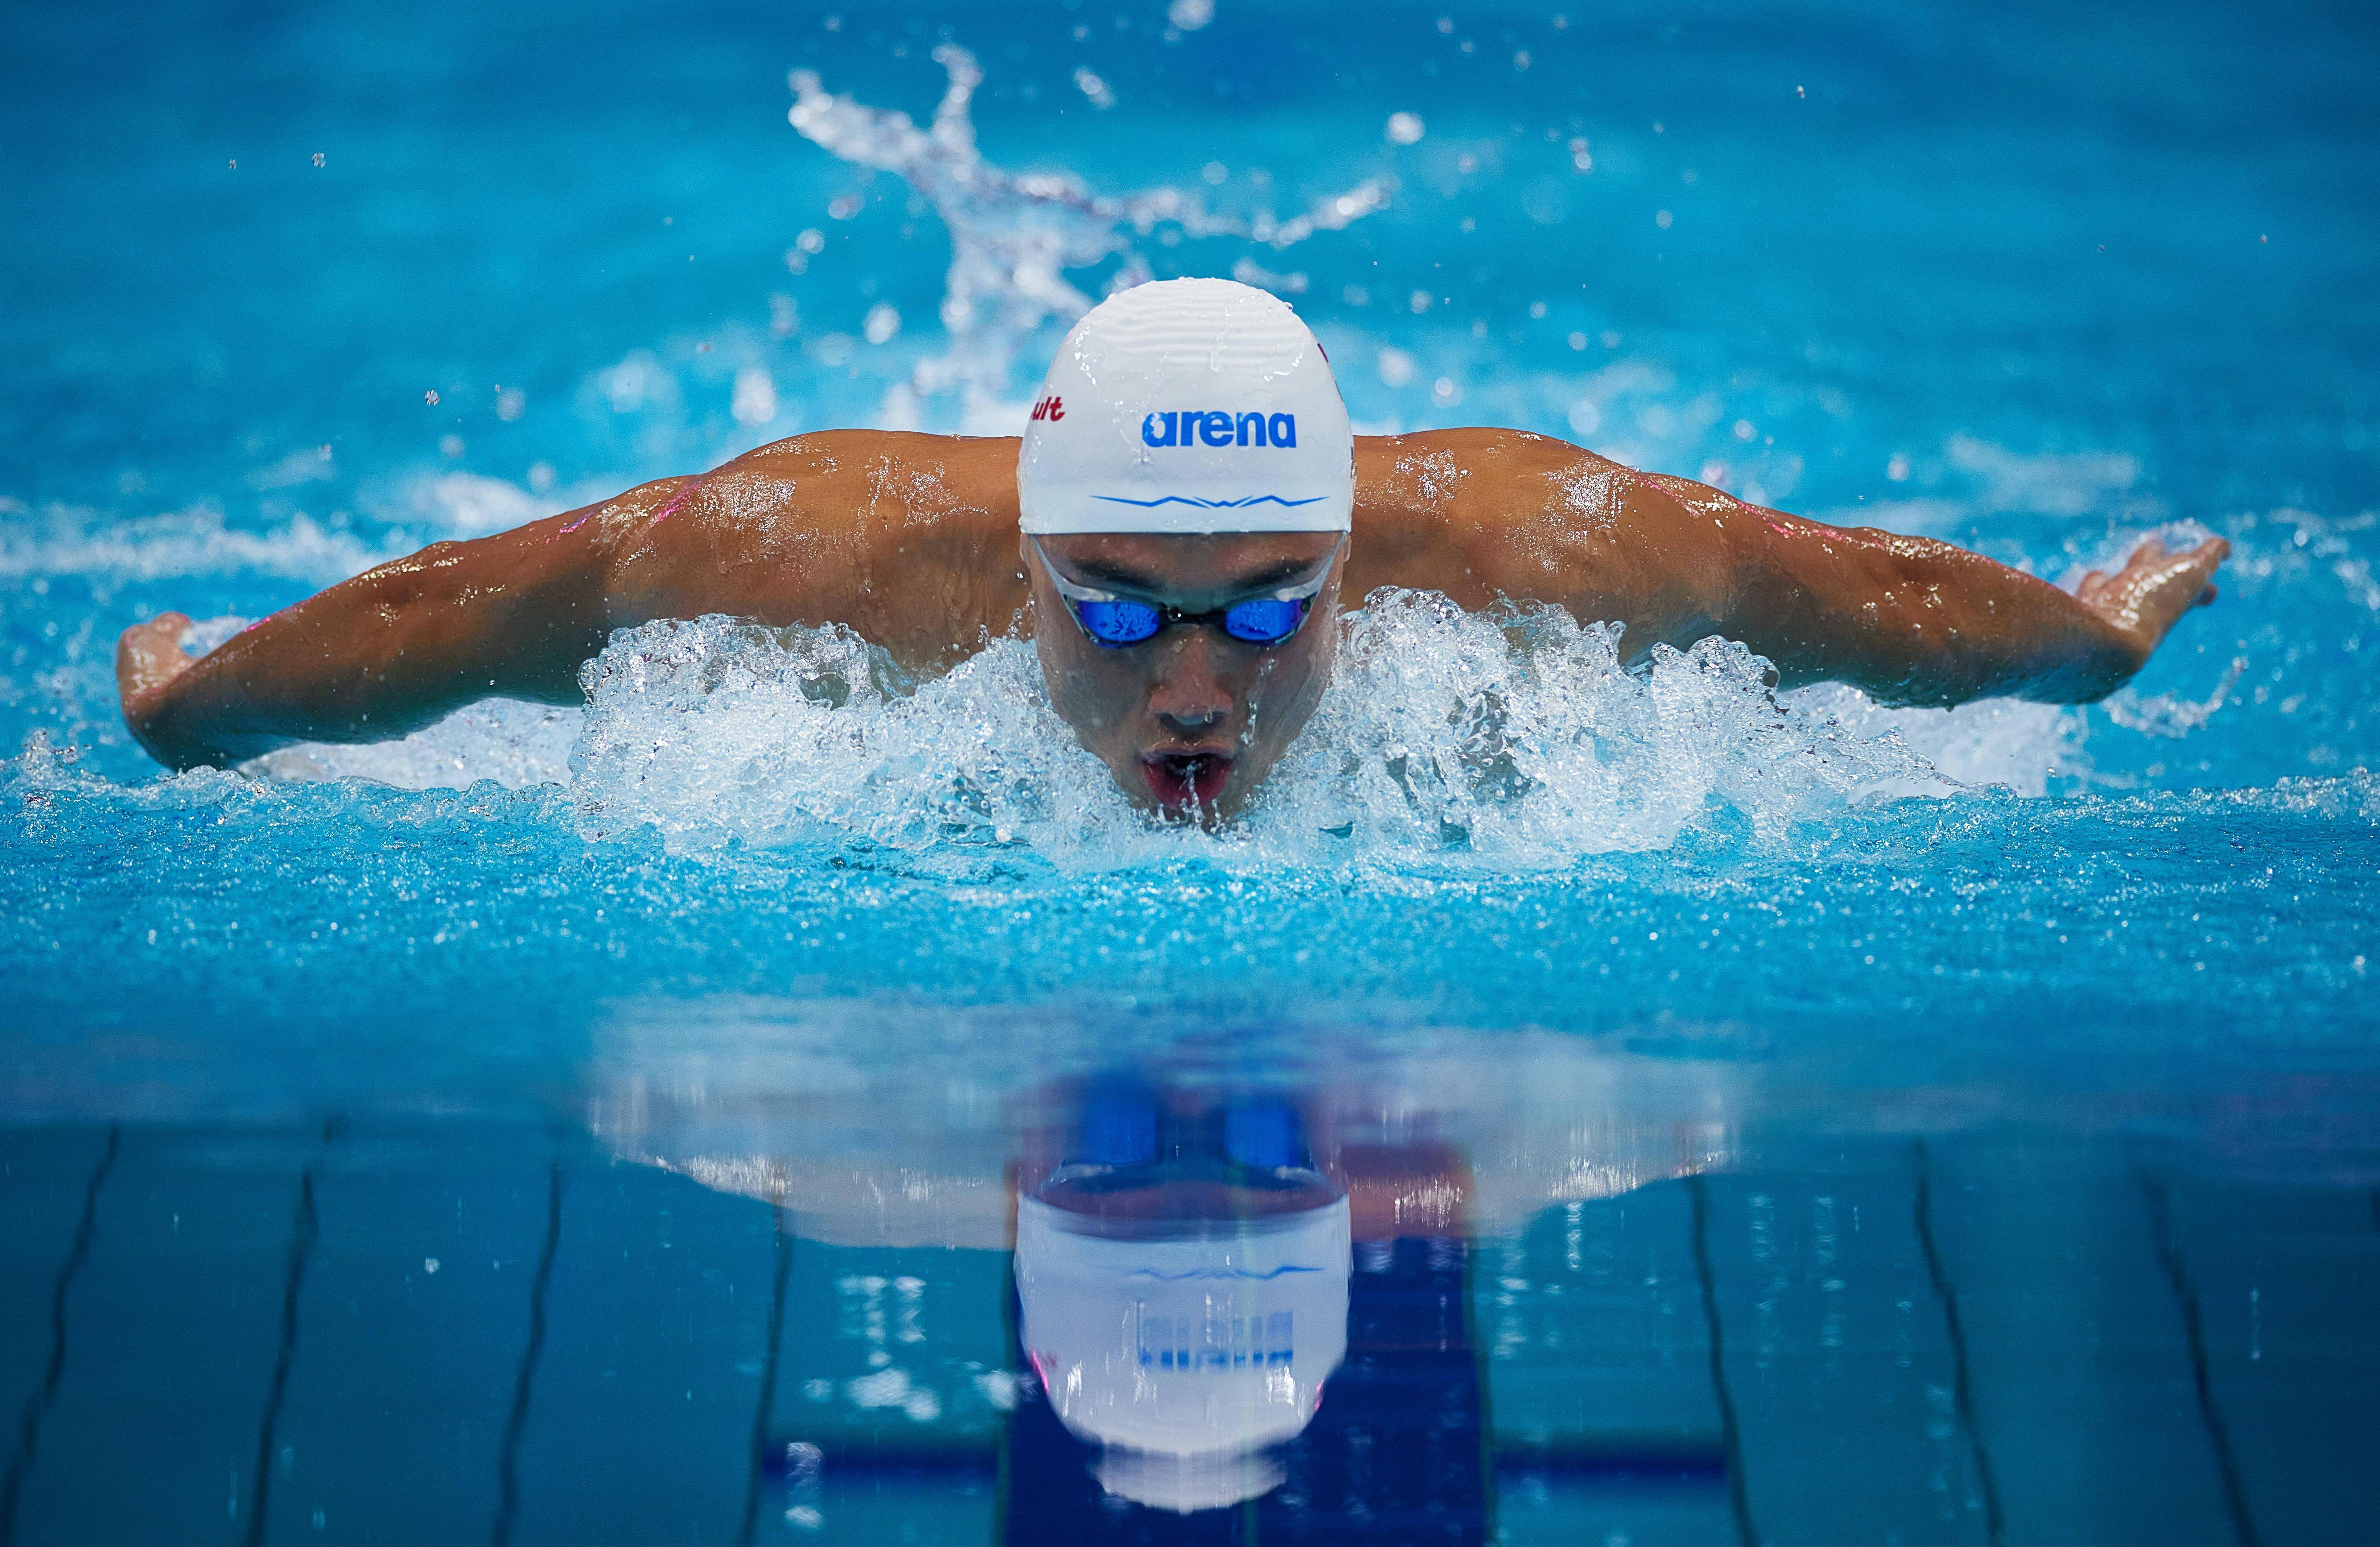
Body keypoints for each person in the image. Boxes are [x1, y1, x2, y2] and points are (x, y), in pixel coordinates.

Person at [115, 278, 2227, 820]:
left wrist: (2092, 646)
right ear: (1023, 564)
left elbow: (1864, 598)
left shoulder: (1527, 544)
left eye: (1263, 614)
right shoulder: (813, 554)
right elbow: (466, 609)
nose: (1192, 688)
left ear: (1346, 554)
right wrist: (204, 709)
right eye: (1114, 612)